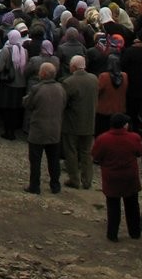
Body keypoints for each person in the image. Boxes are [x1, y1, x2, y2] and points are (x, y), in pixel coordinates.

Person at [91, 113, 142, 241]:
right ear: (125, 125)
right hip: (129, 177)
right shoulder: (134, 137)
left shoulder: (103, 139)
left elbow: (96, 155)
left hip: (111, 177)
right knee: (132, 205)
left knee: (113, 206)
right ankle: (135, 232)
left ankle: (112, 234)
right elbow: (140, 152)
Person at [23, 62, 66, 195]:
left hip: (38, 129)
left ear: (42, 74)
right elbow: (64, 104)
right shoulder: (61, 88)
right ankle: (55, 185)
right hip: (55, 129)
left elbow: (28, 104)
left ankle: (35, 186)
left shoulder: (37, 88)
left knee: (35, 160)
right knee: (54, 160)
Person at [61, 54, 99, 189]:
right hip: (89, 121)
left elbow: (63, 102)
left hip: (72, 122)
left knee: (71, 151)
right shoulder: (94, 79)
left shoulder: (69, 82)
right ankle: (87, 180)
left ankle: (74, 179)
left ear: (73, 67)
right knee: (87, 152)